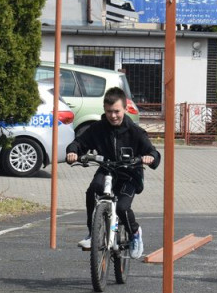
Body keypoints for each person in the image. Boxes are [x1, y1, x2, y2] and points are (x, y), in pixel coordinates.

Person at [66, 87, 160, 259]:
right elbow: (79, 143)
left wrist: (149, 158)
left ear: (125, 109)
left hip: (130, 174)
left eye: (117, 111)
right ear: (104, 110)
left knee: (123, 207)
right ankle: (92, 233)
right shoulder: (97, 129)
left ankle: (134, 233)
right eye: (109, 111)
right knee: (93, 189)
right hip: (107, 170)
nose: (113, 115)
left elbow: (153, 152)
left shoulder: (136, 132)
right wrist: (73, 152)